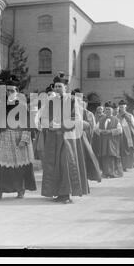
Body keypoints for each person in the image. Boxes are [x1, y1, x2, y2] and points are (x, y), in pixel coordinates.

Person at [38, 75, 89, 204]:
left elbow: (75, 119)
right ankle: (56, 192)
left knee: (65, 163)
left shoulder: (72, 100)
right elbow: (44, 117)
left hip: (67, 137)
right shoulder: (51, 101)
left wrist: (59, 126)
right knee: (53, 164)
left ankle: (66, 194)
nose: (57, 88)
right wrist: (49, 125)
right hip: (53, 137)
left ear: (66, 87)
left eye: (60, 86)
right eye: (55, 86)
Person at [0, 76, 36, 200]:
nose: (9, 93)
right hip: (5, 137)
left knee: (19, 166)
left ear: (17, 92)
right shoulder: (2, 106)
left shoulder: (22, 104)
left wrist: (24, 139)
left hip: (18, 137)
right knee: (3, 166)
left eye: (12, 90)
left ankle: (20, 189)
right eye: (7, 91)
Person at [95, 102, 123, 178]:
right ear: (105, 110)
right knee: (104, 156)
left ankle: (112, 173)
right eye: (106, 109)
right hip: (103, 141)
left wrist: (110, 131)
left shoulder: (116, 119)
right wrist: (101, 131)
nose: (108, 111)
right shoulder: (101, 119)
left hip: (112, 141)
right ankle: (105, 173)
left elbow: (120, 130)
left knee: (111, 156)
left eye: (109, 109)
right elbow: (96, 129)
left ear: (112, 110)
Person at [117, 100, 134, 171]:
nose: (121, 108)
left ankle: (127, 165)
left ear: (125, 107)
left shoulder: (130, 115)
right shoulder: (117, 116)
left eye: (123, 107)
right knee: (121, 149)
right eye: (120, 107)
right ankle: (121, 165)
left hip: (128, 134)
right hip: (120, 135)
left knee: (128, 150)